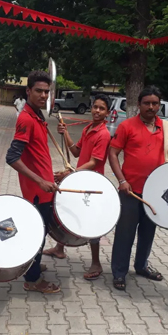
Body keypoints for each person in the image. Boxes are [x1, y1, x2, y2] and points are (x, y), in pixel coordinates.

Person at [108, 86, 168, 291]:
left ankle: (141, 266)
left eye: (154, 103)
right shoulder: (127, 126)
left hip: (156, 193)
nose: (151, 107)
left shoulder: (166, 128)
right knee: (125, 233)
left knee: (148, 232)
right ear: (139, 105)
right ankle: (119, 272)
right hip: (130, 191)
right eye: (146, 103)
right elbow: (113, 153)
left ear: (159, 105)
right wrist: (121, 181)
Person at [43, 94, 112, 280]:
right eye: (95, 106)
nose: (97, 111)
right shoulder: (89, 128)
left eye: (101, 108)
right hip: (80, 178)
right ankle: (59, 248)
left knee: (92, 222)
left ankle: (96, 263)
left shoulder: (103, 134)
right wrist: (65, 133)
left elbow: (93, 162)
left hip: (93, 183)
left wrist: (70, 173)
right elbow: (75, 152)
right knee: (69, 212)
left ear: (107, 113)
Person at [5, 71, 61, 294]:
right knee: (38, 233)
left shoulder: (37, 116)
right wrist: (40, 180)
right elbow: (12, 157)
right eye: (38, 90)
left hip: (44, 187)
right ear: (28, 91)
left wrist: (49, 174)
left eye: (46, 91)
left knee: (41, 232)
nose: (43, 95)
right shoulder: (27, 119)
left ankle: (33, 265)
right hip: (37, 192)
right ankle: (33, 279)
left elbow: (37, 153)